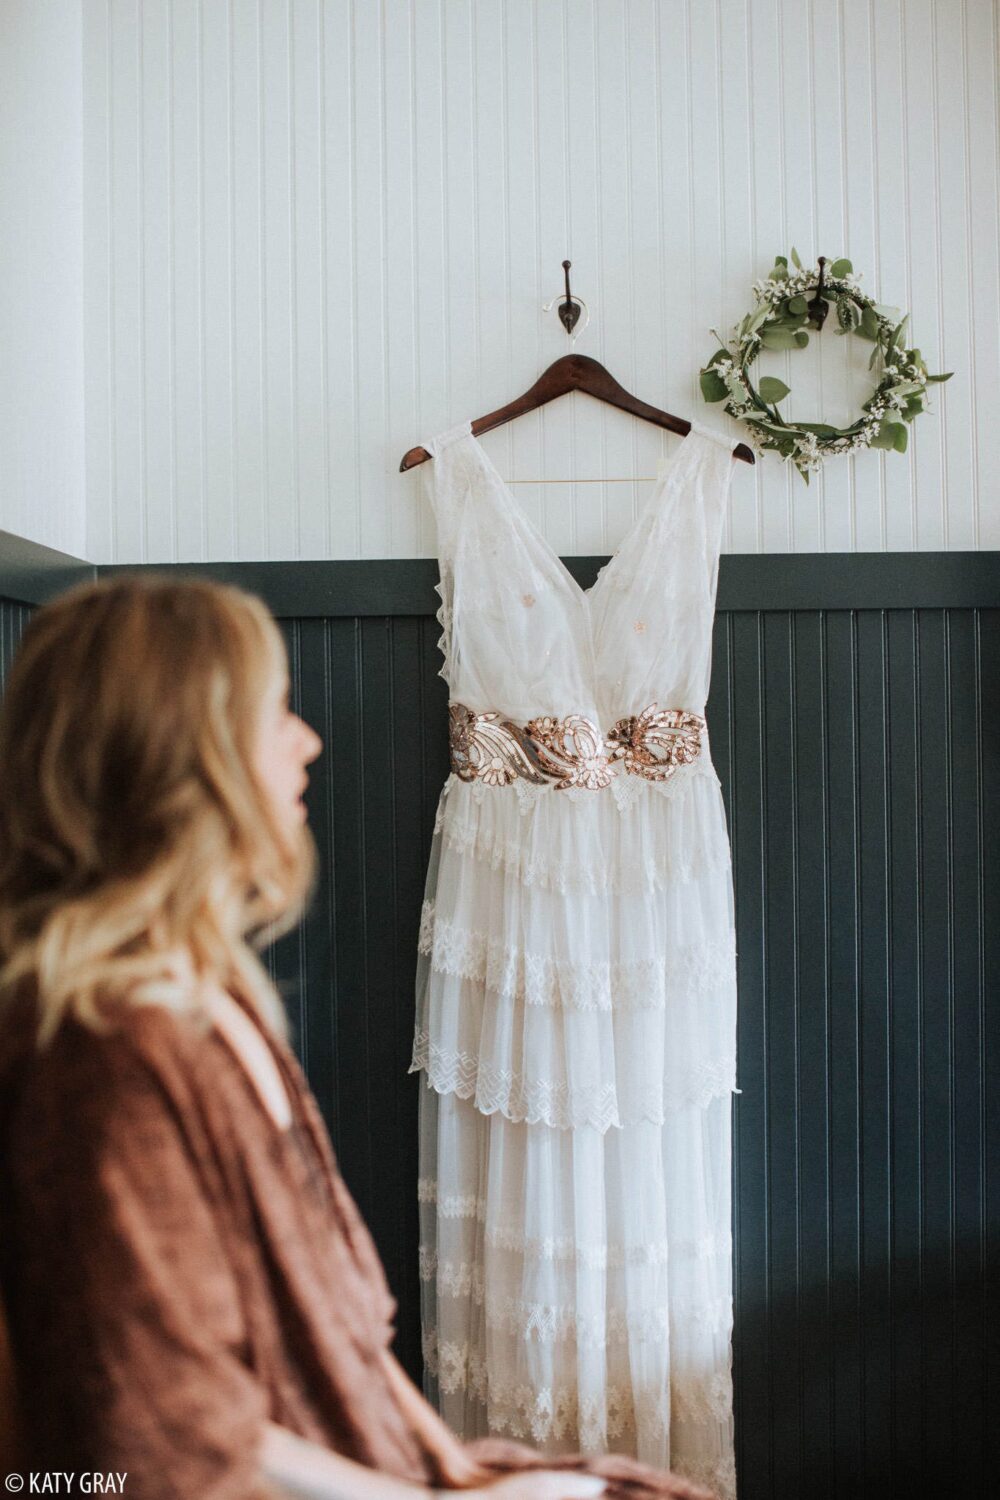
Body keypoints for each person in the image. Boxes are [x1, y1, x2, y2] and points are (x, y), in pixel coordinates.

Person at [0, 577, 715, 1500]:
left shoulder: (215, 996)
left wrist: (464, 1473)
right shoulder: (102, 1056)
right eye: (272, 717)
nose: (308, 741)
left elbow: (354, 1352)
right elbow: (160, 1436)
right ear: (178, 760)